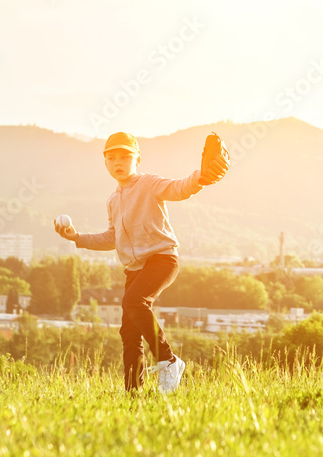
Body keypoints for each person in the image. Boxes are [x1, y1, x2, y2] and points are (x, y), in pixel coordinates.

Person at [54, 131, 229, 393]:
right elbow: (112, 237)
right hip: (135, 270)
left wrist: (200, 178)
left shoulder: (149, 183)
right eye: (112, 157)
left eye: (125, 156)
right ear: (105, 163)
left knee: (135, 302)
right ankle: (133, 394)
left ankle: (168, 360)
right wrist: (76, 237)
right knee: (129, 332)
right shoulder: (113, 200)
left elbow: (178, 188)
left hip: (162, 258)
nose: (118, 162)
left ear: (138, 159)